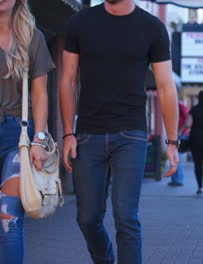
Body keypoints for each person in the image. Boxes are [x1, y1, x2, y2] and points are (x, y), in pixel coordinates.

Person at [59, 0, 179, 263]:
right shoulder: (80, 22)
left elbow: (166, 86)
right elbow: (67, 80)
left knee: (126, 217)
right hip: (88, 134)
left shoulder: (152, 27)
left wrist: (171, 141)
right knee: (87, 218)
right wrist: (68, 133)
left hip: (131, 134)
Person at [0, 0, 55, 263]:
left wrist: (39, 139)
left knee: (9, 220)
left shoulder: (32, 36)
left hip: (17, 138)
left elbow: (40, 93)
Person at [168, 100, 188, 186]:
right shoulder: (171, 105)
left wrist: (179, 131)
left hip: (179, 135)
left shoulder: (180, 105)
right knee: (173, 157)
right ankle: (175, 179)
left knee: (176, 157)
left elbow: (187, 119)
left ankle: (178, 180)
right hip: (174, 134)